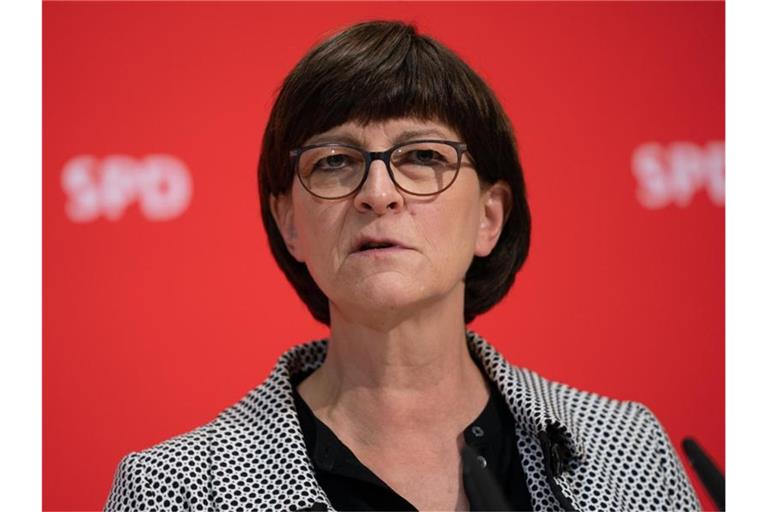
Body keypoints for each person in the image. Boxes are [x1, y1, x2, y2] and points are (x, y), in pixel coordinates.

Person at [105, 20, 700, 511]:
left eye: (421, 156)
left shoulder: (626, 450)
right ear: (290, 223)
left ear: (490, 218)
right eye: (336, 161)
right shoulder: (176, 490)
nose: (378, 193)